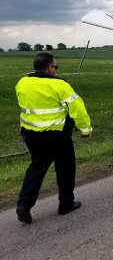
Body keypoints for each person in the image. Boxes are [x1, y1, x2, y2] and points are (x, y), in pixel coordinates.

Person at [15, 52, 93, 223]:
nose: (56, 70)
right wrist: (85, 130)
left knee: (36, 168)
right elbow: (77, 109)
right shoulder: (60, 85)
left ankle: (23, 206)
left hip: (31, 135)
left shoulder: (22, 83)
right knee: (65, 168)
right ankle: (66, 204)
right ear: (49, 68)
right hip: (57, 135)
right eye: (55, 66)